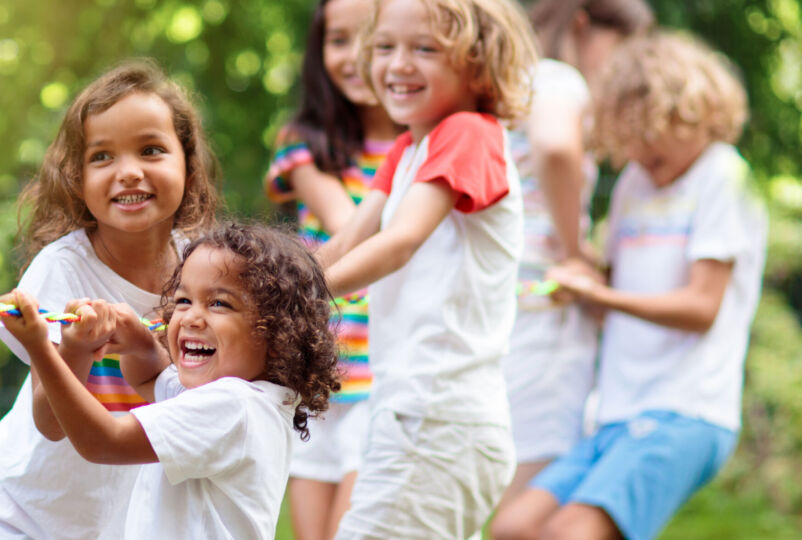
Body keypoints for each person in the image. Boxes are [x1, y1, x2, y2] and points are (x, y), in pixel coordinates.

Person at [491, 32, 767, 540]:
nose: (639, 154)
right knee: (514, 527)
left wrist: (599, 293)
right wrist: (581, 283)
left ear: (689, 113)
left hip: (685, 408)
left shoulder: (722, 175)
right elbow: (619, 290)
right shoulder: (636, 185)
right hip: (617, 411)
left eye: (653, 138)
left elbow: (701, 306)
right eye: (631, 140)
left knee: (569, 532)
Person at [0, 60, 220, 539]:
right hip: (16, 516)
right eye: (102, 157)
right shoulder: (63, 269)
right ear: (77, 178)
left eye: (151, 149)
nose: (129, 172)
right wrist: (72, 350)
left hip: (108, 524)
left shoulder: (201, 269)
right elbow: (50, 423)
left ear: (188, 165)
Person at [313, 0, 538, 537]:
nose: (398, 64)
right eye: (386, 47)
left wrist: (295, 296)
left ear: (477, 64)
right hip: (413, 412)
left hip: (439, 418)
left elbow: (401, 241)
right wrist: (255, 288)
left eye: (426, 49)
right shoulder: (409, 146)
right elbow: (346, 241)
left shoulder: (468, 132)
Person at [0, 223, 342, 539]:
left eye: (219, 303)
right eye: (183, 300)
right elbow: (150, 378)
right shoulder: (241, 401)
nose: (190, 317)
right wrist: (139, 343)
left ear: (278, 335)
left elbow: (102, 441)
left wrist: (41, 348)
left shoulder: (234, 407)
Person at [498, 0, 654, 504]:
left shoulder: (511, 87)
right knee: (531, 500)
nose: (619, 67)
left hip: (508, 297)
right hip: (546, 303)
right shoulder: (560, 79)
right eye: (620, 48)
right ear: (584, 24)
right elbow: (557, 146)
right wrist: (575, 252)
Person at [262, 0, 402, 536]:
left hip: (385, 377)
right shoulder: (304, 146)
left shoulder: (429, 146)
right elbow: (355, 228)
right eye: (338, 40)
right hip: (315, 377)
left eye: (372, 38)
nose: (354, 56)